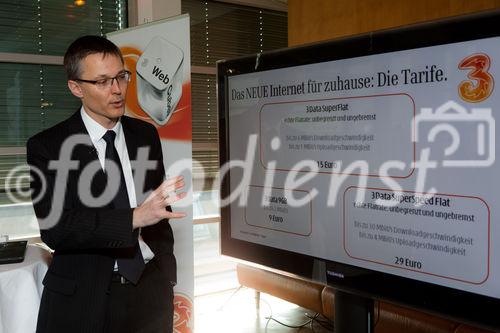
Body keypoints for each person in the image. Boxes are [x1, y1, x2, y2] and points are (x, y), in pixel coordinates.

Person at [27, 35, 186, 333]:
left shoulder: (145, 136)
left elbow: (158, 211)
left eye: (121, 77)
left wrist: (166, 274)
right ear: (76, 87)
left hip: (150, 291)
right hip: (85, 298)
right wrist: (134, 217)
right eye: (102, 82)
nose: (117, 90)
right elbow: (56, 228)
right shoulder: (48, 146)